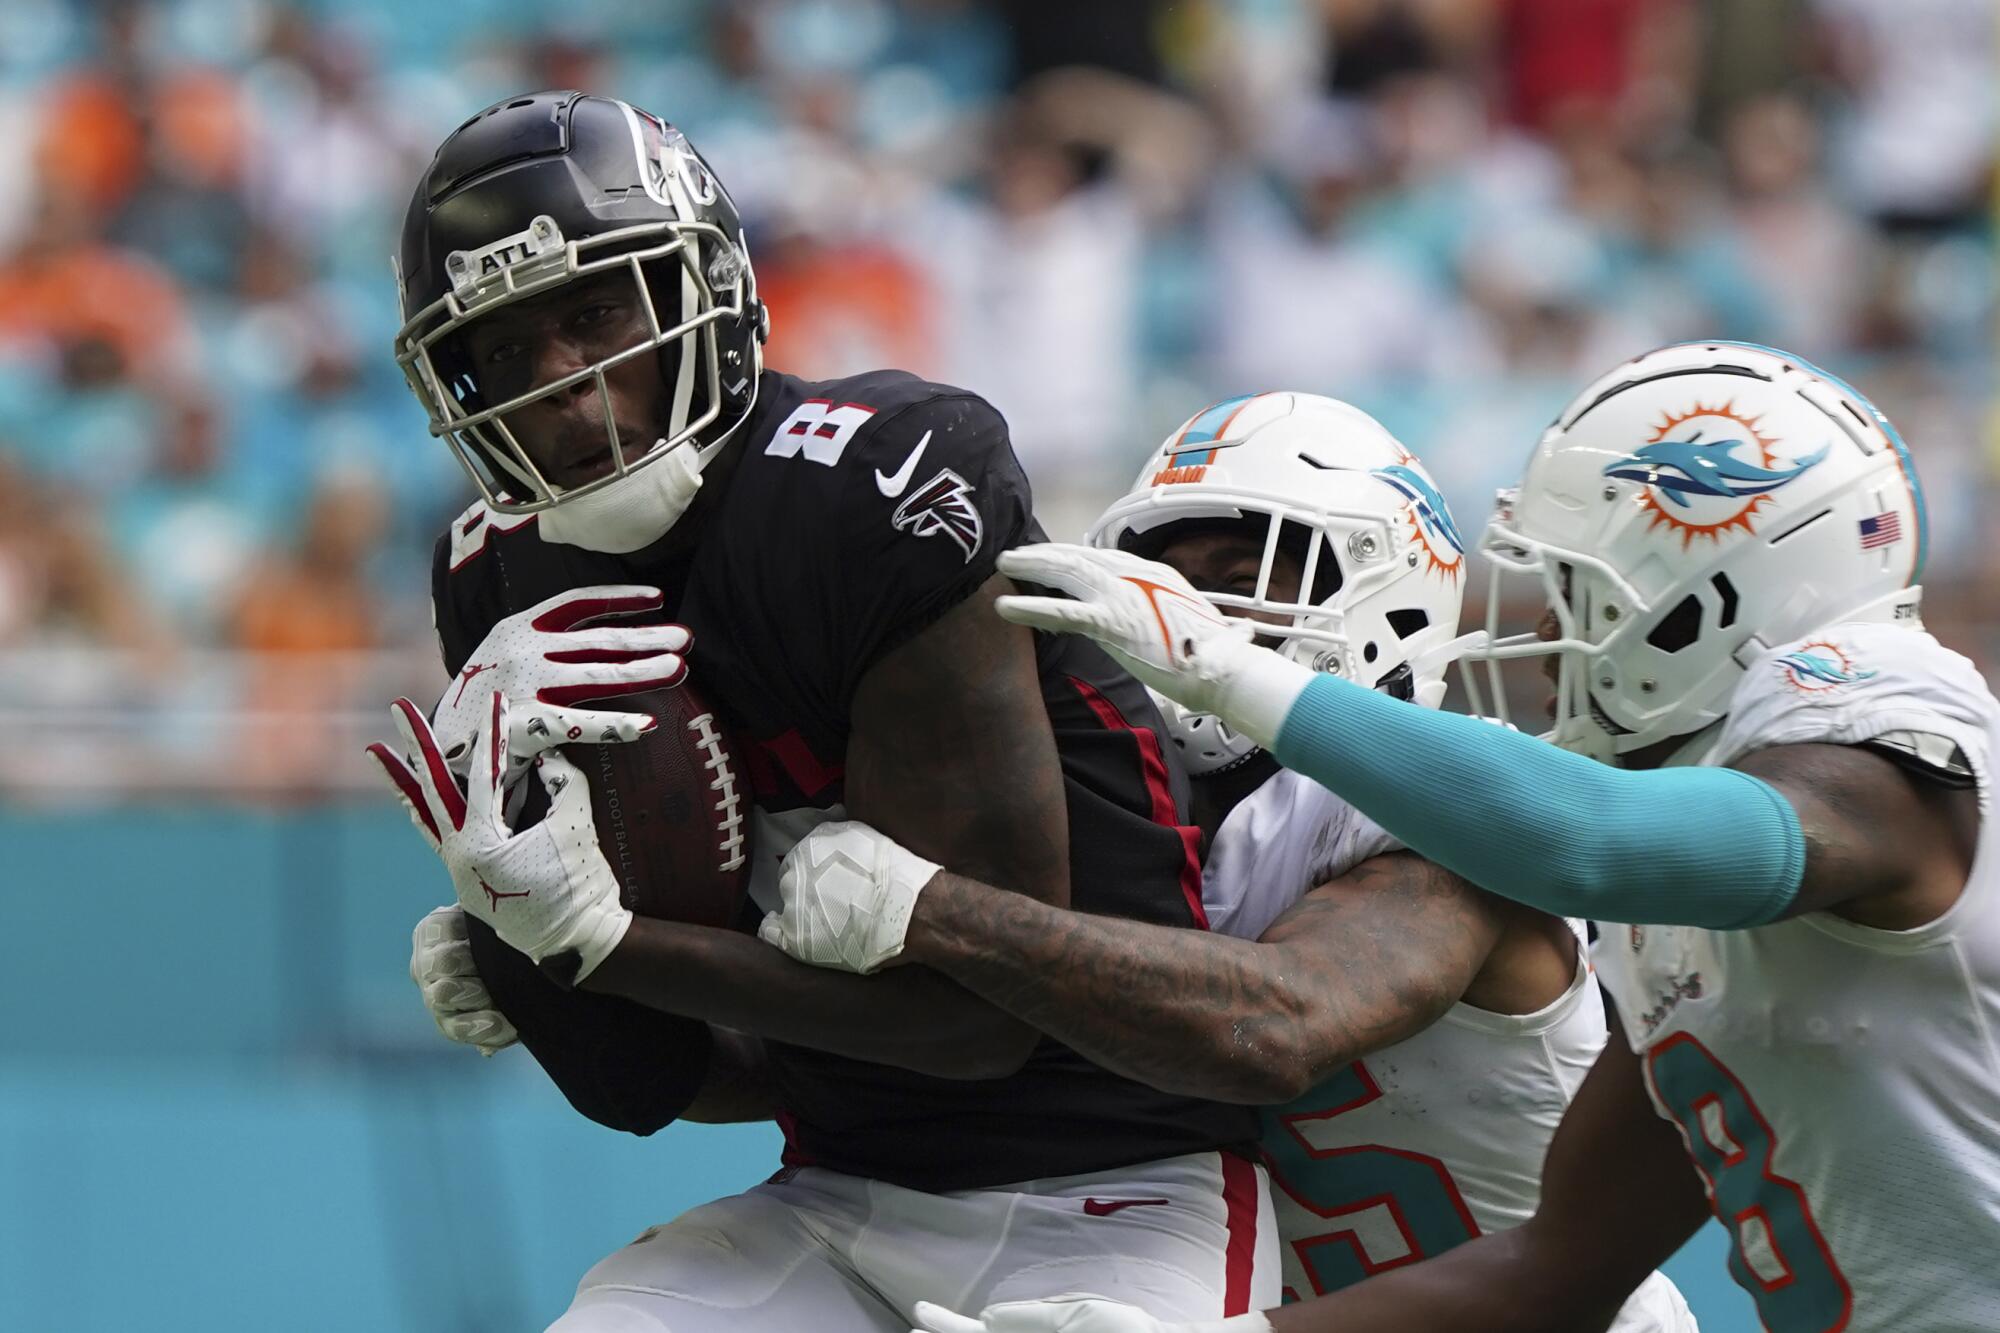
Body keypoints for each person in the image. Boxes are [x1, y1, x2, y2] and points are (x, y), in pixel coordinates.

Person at [366, 91, 1276, 1331]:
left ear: (707, 287)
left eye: (590, 317)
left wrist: (609, 947)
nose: (560, 388)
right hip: (834, 1181)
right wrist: (537, 974)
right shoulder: (499, 575)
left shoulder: (880, 479)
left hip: (1111, 1177)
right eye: (507, 356)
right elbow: (665, 1082)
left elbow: (973, 1027)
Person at [918, 341, 1999, 1332]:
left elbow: (1587, 834)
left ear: (1721, 581)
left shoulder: (1876, 714)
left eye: (1578, 588)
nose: (1539, 628)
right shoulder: (1684, 926)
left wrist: (1235, 672)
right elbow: (1553, 1271)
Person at [756, 391, 1693, 1329]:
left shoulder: (1435, 806)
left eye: (1245, 572)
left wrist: (935, 912)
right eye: (1159, 576)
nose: (1186, 610)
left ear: (1392, 597)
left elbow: (1279, 1022)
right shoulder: (1114, 822)